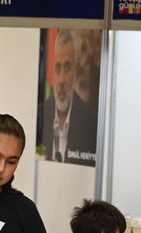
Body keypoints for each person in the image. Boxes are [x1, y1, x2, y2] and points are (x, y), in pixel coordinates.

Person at [40, 29, 97, 166]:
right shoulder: (41, 113)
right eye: (58, 68)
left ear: (75, 71)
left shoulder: (90, 122)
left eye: (67, 68)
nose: (61, 80)